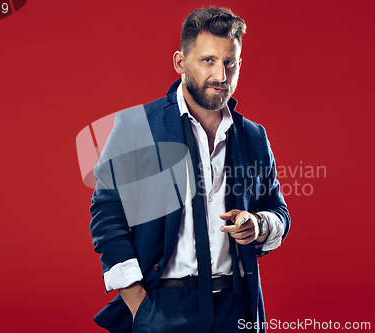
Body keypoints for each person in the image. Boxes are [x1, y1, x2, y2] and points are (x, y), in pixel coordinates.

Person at [90, 7, 290, 333]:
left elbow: (277, 209)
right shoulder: (137, 127)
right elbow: (108, 212)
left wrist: (260, 223)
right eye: (208, 60)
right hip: (162, 305)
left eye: (230, 62)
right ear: (181, 63)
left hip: (238, 309)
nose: (221, 76)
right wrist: (137, 302)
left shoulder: (253, 136)